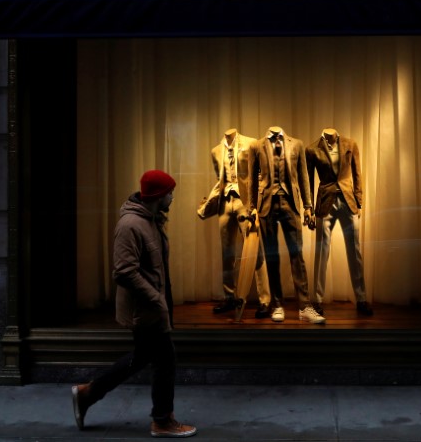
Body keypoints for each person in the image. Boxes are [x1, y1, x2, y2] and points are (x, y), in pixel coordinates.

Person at [71, 169, 196, 438]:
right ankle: (162, 420)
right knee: (165, 359)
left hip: (154, 306)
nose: (173, 197)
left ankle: (88, 393)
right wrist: (156, 299)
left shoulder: (151, 220)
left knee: (145, 357)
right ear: (159, 195)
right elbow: (124, 271)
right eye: (170, 193)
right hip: (146, 309)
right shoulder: (130, 225)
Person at [248, 126, 325, 324]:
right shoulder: (256, 146)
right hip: (266, 205)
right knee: (272, 257)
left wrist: (308, 206)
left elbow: (304, 177)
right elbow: (251, 181)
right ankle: (277, 305)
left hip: (291, 203)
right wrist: (251, 207)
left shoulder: (296, 144)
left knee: (297, 255)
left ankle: (305, 306)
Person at [198, 128, 270, 318]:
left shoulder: (251, 143)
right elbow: (220, 178)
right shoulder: (216, 151)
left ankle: (265, 300)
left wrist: (256, 202)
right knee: (226, 252)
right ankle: (229, 296)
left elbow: (260, 174)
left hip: (245, 202)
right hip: (225, 203)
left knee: (256, 251)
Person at [306, 128, 373, 317]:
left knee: (355, 250)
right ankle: (317, 300)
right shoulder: (312, 150)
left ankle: (361, 299)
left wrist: (359, 201)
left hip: (348, 201)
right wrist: (309, 207)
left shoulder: (350, 144)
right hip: (325, 201)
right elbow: (308, 181)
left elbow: (357, 174)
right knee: (321, 252)